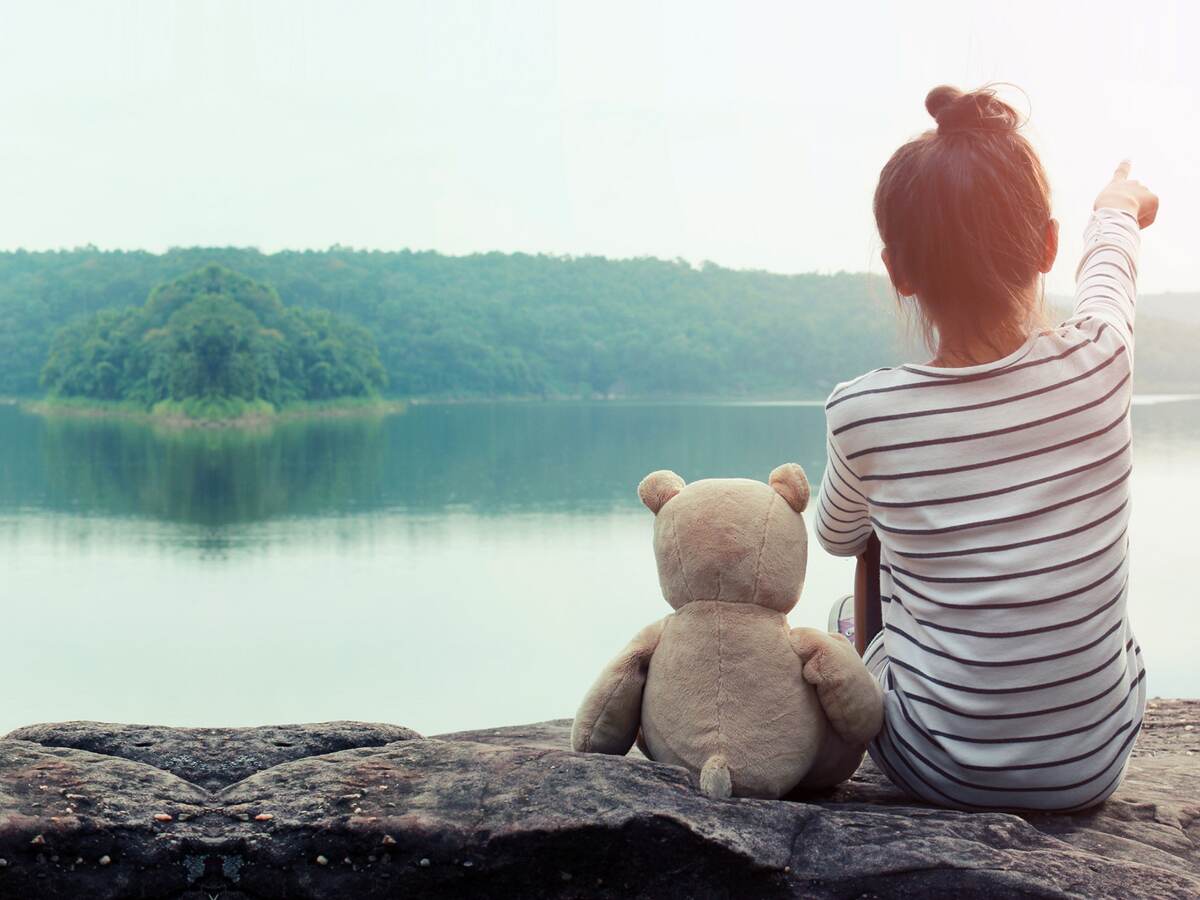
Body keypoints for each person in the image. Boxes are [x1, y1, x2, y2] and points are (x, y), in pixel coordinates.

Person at [815, 84, 1158, 811]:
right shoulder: (1102, 361)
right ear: (1047, 246)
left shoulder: (863, 411)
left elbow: (838, 536)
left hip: (937, 769)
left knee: (866, 564)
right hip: (1091, 770)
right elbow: (1110, 270)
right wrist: (1119, 204)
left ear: (897, 270)